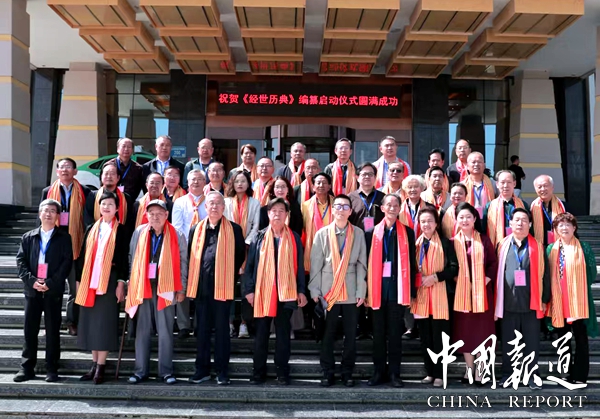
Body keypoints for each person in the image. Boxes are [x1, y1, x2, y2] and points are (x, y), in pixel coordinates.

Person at [243, 198, 307, 385]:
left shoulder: (294, 237)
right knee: (261, 334)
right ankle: (258, 372)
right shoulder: (259, 237)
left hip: (286, 293)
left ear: (287, 214)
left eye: (281, 210)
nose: (277, 214)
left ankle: (282, 372)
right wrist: (249, 290)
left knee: (283, 335)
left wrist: (301, 290)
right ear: (268, 214)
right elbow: (250, 267)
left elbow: (299, 267)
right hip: (263, 292)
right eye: (274, 210)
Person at [187, 192, 246, 386]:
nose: (214, 207)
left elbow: (239, 255)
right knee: (202, 331)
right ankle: (201, 370)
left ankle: (222, 371)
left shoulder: (234, 229)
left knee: (222, 332)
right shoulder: (196, 229)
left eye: (218, 204)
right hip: (201, 289)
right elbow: (190, 254)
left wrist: (225, 273)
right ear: (205, 207)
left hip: (223, 287)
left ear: (223, 207)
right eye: (210, 203)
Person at [126, 199, 188, 385]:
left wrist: (181, 288)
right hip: (143, 286)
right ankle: (140, 371)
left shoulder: (177, 234)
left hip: (166, 286)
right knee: (142, 330)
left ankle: (166, 371)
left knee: (165, 330)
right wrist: (131, 283)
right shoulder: (139, 232)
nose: (155, 217)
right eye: (151, 213)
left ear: (166, 215)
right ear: (146, 215)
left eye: (159, 213)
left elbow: (183, 262)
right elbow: (132, 258)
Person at [309, 194, 367, 387]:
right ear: (333, 210)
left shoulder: (358, 233)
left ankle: (347, 372)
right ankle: (328, 371)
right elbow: (315, 265)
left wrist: (361, 290)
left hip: (351, 291)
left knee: (350, 336)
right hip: (329, 291)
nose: (341, 210)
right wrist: (314, 290)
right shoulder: (322, 234)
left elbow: (362, 264)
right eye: (338, 206)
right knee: (328, 334)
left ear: (350, 212)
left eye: (345, 207)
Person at [14, 199, 73, 383]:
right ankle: (26, 367)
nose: (48, 214)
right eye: (45, 210)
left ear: (58, 216)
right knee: (29, 329)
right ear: (39, 214)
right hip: (32, 290)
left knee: (53, 330)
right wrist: (32, 281)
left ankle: (51, 368)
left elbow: (66, 263)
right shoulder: (28, 237)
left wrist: (51, 283)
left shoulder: (64, 238)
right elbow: (21, 262)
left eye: (53, 211)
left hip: (52, 290)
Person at [74, 192, 127, 385]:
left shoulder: (122, 230)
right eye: (103, 204)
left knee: (104, 323)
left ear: (117, 208)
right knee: (90, 323)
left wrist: (121, 282)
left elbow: (124, 259)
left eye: (110, 204)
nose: (106, 207)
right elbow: (82, 256)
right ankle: (94, 363)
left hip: (109, 280)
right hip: (89, 280)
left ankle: (101, 366)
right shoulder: (91, 228)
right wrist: (78, 280)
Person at [365, 193, 417, 388]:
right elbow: (366, 265)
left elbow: (412, 263)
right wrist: (366, 291)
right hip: (377, 290)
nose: (392, 208)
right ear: (382, 208)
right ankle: (378, 372)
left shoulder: (407, 233)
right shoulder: (371, 233)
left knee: (395, 335)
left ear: (400, 208)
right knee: (378, 335)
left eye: (396, 205)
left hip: (397, 290)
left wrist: (411, 291)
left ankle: (395, 373)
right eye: (389, 205)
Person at [495, 208, 550, 390]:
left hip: (531, 303)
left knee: (531, 343)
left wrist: (544, 299)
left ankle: (532, 375)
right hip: (508, 303)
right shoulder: (501, 246)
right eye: (516, 220)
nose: (520, 223)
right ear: (510, 223)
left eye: (524, 220)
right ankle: (508, 374)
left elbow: (546, 275)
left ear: (530, 224)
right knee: (509, 342)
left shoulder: (538, 247)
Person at [546, 213, 599, 384]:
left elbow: (591, 272)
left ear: (574, 228)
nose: (564, 228)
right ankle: (565, 373)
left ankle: (580, 375)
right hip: (559, 301)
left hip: (579, 301)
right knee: (563, 339)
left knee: (581, 339)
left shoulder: (584, 248)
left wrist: (575, 287)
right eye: (560, 225)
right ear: (556, 229)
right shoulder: (551, 249)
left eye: (568, 224)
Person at [41, 157, 91, 336]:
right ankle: (51, 322)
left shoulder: (85, 191)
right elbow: (42, 218)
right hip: (54, 244)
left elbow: (88, 220)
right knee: (51, 287)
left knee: (74, 289)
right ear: (57, 172)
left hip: (75, 244)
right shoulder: (48, 191)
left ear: (75, 171)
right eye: (62, 167)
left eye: (68, 167)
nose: (65, 170)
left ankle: (71, 321)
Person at [411, 207, 458, 388]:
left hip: (441, 295)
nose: (426, 224)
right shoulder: (416, 244)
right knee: (426, 338)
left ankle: (440, 374)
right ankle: (430, 372)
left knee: (440, 338)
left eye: (430, 221)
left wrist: (436, 277)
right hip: (422, 295)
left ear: (436, 223)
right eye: (423, 221)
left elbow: (453, 268)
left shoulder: (446, 243)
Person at [452, 202, 497, 386]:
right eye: (461, 217)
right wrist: (458, 279)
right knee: (465, 333)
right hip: (461, 294)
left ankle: (480, 370)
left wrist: (485, 279)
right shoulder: (452, 242)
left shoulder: (484, 240)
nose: (465, 220)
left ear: (475, 219)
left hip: (482, 294)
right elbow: (449, 266)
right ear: (456, 220)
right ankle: (469, 369)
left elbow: (493, 263)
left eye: (468, 217)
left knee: (481, 333)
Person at [224, 170, 261, 338]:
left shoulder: (254, 203)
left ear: (248, 184)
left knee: (247, 288)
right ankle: (230, 322)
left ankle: (245, 323)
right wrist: (235, 243)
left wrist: (246, 243)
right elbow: (224, 225)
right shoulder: (226, 202)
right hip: (229, 249)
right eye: (237, 181)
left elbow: (256, 226)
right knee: (229, 289)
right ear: (232, 183)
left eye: (243, 181)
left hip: (248, 249)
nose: (240, 184)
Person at [171, 169, 207, 339]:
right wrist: (187, 246)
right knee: (182, 286)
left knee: (202, 288)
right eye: (193, 179)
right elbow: (177, 228)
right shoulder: (180, 202)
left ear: (205, 182)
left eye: (200, 179)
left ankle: (201, 324)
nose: (196, 182)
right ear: (187, 182)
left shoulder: (210, 201)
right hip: (184, 249)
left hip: (205, 249)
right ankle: (183, 325)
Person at [84, 162, 134, 235]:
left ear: (118, 177)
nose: (109, 176)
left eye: (112, 173)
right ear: (101, 176)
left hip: (120, 236)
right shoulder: (92, 195)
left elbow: (129, 221)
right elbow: (88, 218)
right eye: (106, 173)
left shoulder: (126, 198)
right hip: (97, 235)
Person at [483, 170, 529, 247]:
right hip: (496, 246)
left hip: (519, 246)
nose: (505, 185)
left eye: (509, 182)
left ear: (514, 184)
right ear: (497, 184)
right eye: (502, 182)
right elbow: (484, 230)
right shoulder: (489, 206)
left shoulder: (523, 205)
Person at [302, 172, 335, 273]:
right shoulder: (305, 206)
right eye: (318, 183)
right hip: (314, 245)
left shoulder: (336, 203)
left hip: (332, 244)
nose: (321, 185)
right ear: (313, 187)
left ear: (329, 186)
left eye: (324, 183)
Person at [349, 162, 385, 235]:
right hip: (356, 237)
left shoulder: (383, 197)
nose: (367, 176)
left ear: (375, 177)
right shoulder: (350, 198)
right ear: (357, 177)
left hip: (378, 238)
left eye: (370, 174)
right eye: (364, 174)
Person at [531, 175, 566, 246]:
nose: (543, 189)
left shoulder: (564, 207)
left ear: (552, 187)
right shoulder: (532, 208)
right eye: (539, 187)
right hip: (539, 246)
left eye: (546, 185)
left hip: (560, 246)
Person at [463, 152, 496, 217]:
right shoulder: (462, 185)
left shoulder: (493, 184)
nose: (476, 164)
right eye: (473, 162)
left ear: (484, 165)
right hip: (468, 218)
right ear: (467, 166)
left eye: (479, 162)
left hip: (489, 218)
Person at [399, 175, 431, 239]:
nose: (413, 189)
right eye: (410, 187)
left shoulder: (429, 208)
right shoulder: (399, 208)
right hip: (404, 241)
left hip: (424, 241)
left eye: (416, 186)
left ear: (422, 188)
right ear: (405, 189)